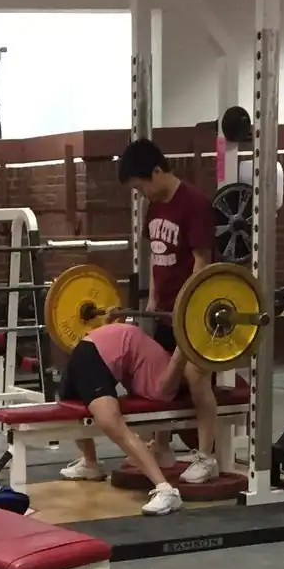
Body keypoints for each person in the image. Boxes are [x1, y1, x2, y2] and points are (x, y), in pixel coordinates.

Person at [118, 138, 219, 484]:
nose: (142, 193)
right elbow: (157, 257)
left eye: (141, 186)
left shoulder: (195, 204)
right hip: (164, 309)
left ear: (158, 171)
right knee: (157, 374)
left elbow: (202, 263)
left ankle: (206, 456)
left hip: (196, 310)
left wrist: (187, 306)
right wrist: (153, 299)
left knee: (194, 376)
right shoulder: (155, 206)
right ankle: (162, 447)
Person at [58, 320, 205, 516]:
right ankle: (90, 464)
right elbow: (176, 363)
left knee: (109, 421)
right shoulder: (162, 374)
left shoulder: (164, 385)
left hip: (93, 349)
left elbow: (177, 369)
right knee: (74, 405)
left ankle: (166, 490)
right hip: (93, 349)